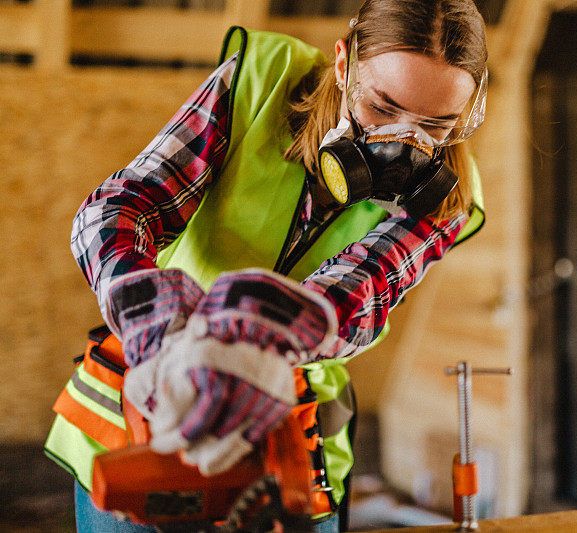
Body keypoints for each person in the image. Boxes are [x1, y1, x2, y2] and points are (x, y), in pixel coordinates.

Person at [47, 1, 488, 531]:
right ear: (344, 66)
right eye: (382, 107)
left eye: (435, 125)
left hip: (287, 426)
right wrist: (155, 322)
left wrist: (260, 328)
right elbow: (119, 210)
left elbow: (359, 293)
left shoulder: (447, 195)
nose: (401, 145)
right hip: (145, 403)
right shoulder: (262, 80)